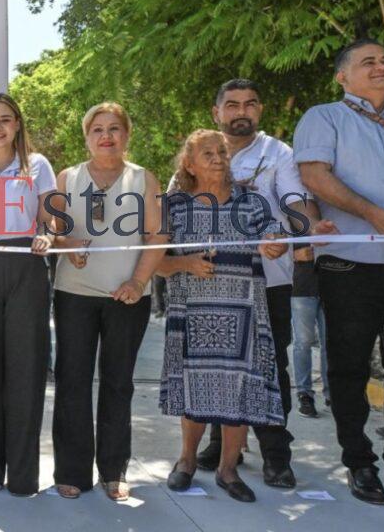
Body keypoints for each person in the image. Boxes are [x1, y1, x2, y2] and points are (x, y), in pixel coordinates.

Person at [193, 79, 322, 489]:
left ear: (260, 111)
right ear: (217, 113)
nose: (240, 112)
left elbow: (292, 201)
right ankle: (220, 442)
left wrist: (306, 227)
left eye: (249, 104)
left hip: (270, 279)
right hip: (215, 280)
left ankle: (276, 454)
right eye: (231, 105)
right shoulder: (202, 151)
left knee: (271, 368)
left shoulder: (279, 153)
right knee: (219, 365)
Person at [159, 129, 287, 503]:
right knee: (194, 387)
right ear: (189, 163)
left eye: (222, 152)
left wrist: (276, 244)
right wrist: (184, 262)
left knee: (238, 392)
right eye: (208, 153)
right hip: (191, 312)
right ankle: (185, 462)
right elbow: (154, 262)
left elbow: (272, 235)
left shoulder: (251, 201)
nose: (218, 158)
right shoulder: (174, 206)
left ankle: (228, 470)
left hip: (243, 311)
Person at [48, 102, 167, 501]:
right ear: (86, 136)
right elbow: (53, 233)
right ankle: (71, 471)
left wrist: (137, 281)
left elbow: (157, 236)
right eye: (97, 129)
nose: (106, 135)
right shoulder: (67, 178)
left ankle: (113, 470)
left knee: (118, 385)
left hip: (128, 298)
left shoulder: (145, 179)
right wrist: (68, 246)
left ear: (127, 134)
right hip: (75, 295)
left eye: (114, 128)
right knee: (72, 383)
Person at [295, 37, 384, 504]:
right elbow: (314, 176)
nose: (381, 67)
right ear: (342, 76)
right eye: (368, 62)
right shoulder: (324, 116)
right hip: (351, 260)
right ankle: (359, 461)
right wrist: (374, 213)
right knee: (349, 365)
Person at [0, 93, 70, 496]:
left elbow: (52, 217)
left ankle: (23, 474)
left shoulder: (36, 166)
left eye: (6, 119)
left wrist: (46, 234)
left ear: (18, 124)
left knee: (26, 369)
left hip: (26, 266)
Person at [290, 246, 329, 418]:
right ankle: (304, 394)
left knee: (331, 342)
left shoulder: (332, 219)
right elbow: (273, 249)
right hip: (302, 287)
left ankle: (331, 393)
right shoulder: (293, 219)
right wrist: (292, 255)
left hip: (333, 286)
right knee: (303, 342)